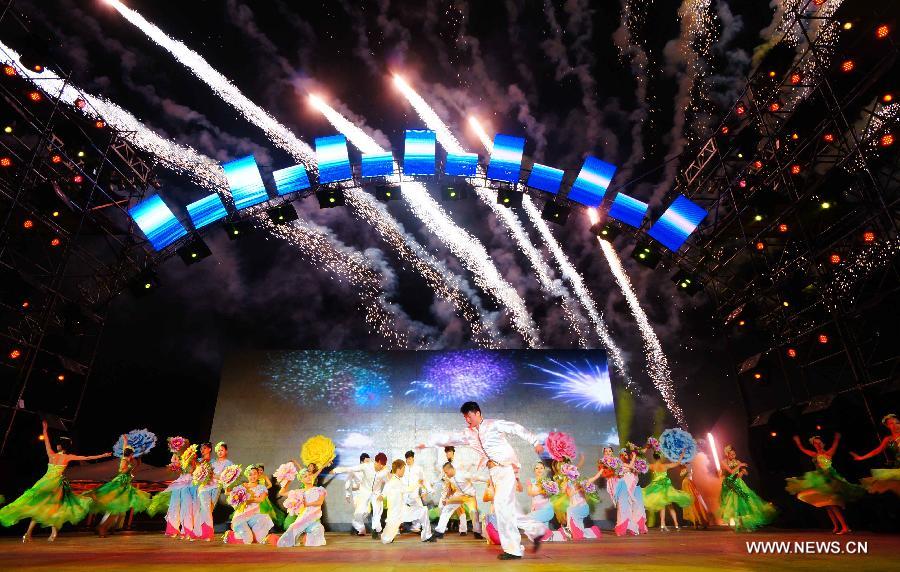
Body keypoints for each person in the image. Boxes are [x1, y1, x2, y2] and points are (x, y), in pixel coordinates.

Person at [419, 401, 549, 560]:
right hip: (494, 473)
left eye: (469, 416)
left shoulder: (493, 424)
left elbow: (515, 427)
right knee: (509, 509)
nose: (467, 420)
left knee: (501, 506)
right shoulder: (468, 434)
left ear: (478, 413)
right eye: (465, 417)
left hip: (506, 469)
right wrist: (428, 443)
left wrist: (535, 442)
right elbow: (449, 438)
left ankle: (514, 549)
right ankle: (537, 530)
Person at [0, 420, 111, 541]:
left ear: (61, 446)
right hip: (54, 485)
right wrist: (103, 456)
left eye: (58, 444)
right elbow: (87, 457)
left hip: (43, 483)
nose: (57, 445)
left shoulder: (51, 454)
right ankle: (50, 534)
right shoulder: (67, 457)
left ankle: (30, 534)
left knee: (40, 507)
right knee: (52, 507)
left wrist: (45, 430)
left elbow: (46, 442)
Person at [785, 433, 862, 534]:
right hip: (820, 480)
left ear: (823, 444)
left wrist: (836, 439)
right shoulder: (814, 455)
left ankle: (845, 527)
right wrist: (798, 442)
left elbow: (835, 445)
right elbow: (802, 449)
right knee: (827, 505)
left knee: (832, 504)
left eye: (819, 443)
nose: (817, 445)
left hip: (829, 480)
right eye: (815, 444)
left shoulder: (828, 453)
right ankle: (836, 526)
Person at [86, 434, 151, 537]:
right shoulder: (125, 460)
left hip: (125, 483)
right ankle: (102, 528)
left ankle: (103, 527)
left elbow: (125, 450)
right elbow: (123, 471)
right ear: (131, 454)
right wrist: (130, 468)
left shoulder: (126, 458)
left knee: (117, 509)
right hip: (120, 484)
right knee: (115, 509)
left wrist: (125, 440)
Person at [718, 445, 776, 532]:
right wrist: (739, 465)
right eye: (731, 455)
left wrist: (742, 471)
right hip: (729, 484)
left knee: (743, 502)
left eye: (734, 454)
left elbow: (744, 473)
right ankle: (735, 523)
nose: (733, 456)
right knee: (731, 504)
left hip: (738, 483)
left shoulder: (737, 461)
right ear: (727, 454)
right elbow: (731, 472)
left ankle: (744, 523)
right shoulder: (723, 462)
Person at [380, 459, 437, 544]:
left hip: (401, 511)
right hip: (397, 514)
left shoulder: (394, 481)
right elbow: (408, 489)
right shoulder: (395, 481)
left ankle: (427, 536)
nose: (404, 471)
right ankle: (426, 536)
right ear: (398, 470)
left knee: (423, 510)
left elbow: (384, 493)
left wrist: (381, 496)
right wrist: (418, 483)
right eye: (403, 469)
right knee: (386, 539)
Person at [275, 466, 327, 547]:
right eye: (305, 476)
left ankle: (308, 540)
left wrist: (305, 504)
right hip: (303, 517)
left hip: (314, 518)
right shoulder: (299, 492)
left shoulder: (319, 489)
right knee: (292, 529)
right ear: (301, 480)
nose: (308, 477)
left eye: (309, 475)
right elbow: (281, 493)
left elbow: (319, 502)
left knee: (318, 530)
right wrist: (288, 481)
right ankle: (287, 542)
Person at [851, 413, 900, 496]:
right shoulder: (888, 439)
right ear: (887, 426)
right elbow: (877, 451)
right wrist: (861, 457)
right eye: (891, 423)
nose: (895, 425)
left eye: (897, 422)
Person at [224, 464, 274, 544]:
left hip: (255, 516)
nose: (252, 476)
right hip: (241, 516)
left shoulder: (262, 487)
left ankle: (252, 534)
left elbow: (261, 499)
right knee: (248, 540)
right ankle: (230, 535)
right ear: (247, 475)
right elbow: (227, 493)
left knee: (259, 539)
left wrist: (247, 500)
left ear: (258, 474)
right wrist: (228, 481)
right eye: (250, 474)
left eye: (254, 474)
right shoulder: (243, 486)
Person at [432, 462, 482, 539]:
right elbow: (448, 487)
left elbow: (475, 477)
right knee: (447, 508)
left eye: (446, 472)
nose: (445, 474)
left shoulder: (463, 473)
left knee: (473, 512)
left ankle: (477, 532)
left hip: (469, 495)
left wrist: (488, 481)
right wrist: (446, 498)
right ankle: (440, 531)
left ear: (451, 469)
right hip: (458, 495)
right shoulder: (448, 477)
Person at [643, 452, 691, 531]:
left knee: (663, 506)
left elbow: (642, 467)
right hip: (666, 488)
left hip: (657, 488)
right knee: (670, 507)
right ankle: (675, 525)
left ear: (654, 458)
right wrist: (681, 455)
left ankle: (663, 525)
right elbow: (677, 463)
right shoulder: (665, 466)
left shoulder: (652, 466)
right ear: (660, 457)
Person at [332, 453, 376, 536]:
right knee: (359, 511)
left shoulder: (370, 469)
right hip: (357, 494)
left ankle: (357, 527)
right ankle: (360, 530)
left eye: (369, 461)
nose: (368, 462)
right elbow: (348, 482)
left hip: (367, 493)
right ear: (362, 461)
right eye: (367, 461)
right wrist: (348, 494)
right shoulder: (355, 470)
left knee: (367, 511)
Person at [531, 461, 566, 542]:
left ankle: (559, 534)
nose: (539, 470)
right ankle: (560, 534)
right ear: (534, 470)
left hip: (546, 508)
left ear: (544, 469)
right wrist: (532, 507)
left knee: (531, 520)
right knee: (543, 537)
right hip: (537, 508)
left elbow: (554, 494)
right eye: (537, 468)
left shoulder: (548, 482)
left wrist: (549, 489)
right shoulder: (531, 481)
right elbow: (531, 494)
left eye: (541, 468)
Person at [679, 462, 710, 529]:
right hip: (686, 483)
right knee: (691, 502)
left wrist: (687, 470)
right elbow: (681, 474)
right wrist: (686, 470)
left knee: (696, 501)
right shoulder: (683, 466)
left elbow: (689, 473)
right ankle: (695, 522)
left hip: (690, 483)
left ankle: (701, 521)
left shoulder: (689, 465)